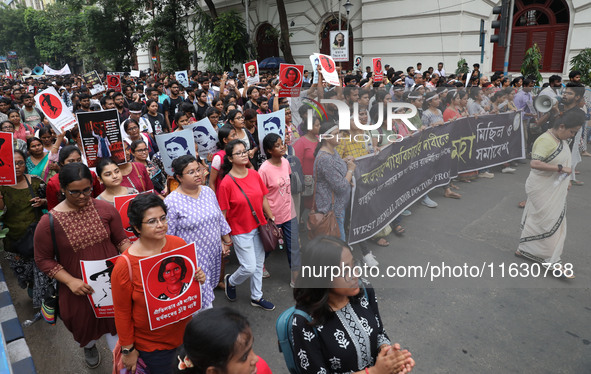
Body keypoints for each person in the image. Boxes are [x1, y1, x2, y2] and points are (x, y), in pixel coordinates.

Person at [34, 163, 130, 368]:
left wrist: (132, 263)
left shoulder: (105, 209)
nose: (82, 196)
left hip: (112, 283)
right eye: (74, 192)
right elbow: (43, 259)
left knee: (118, 329)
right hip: (78, 290)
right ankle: (89, 345)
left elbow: (121, 241)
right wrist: (70, 281)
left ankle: (120, 364)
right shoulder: (49, 222)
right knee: (85, 328)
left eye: (86, 190)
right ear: (62, 189)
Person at [111, 193, 206, 374]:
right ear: (137, 228)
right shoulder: (125, 265)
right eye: (152, 221)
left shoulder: (178, 244)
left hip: (186, 337)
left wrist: (198, 277)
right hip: (153, 348)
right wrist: (128, 350)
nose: (161, 225)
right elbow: (122, 312)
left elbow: (186, 285)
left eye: (163, 218)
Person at [292, 236, 415, 374]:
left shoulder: (364, 291)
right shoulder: (304, 321)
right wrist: (374, 372)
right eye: (345, 271)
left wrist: (388, 354)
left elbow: (379, 332)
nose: (355, 274)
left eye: (353, 264)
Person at [516, 109, 586, 278]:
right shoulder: (545, 140)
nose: (572, 135)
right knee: (550, 221)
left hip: (553, 186)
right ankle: (551, 259)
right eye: (572, 131)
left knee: (541, 219)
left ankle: (525, 250)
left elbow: (564, 160)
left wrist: (567, 179)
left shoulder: (559, 139)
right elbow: (535, 163)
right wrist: (560, 169)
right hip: (540, 186)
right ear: (561, 126)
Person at [165, 155, 232, 309]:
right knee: (201, 299)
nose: (198, 174)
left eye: (199, 170)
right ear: (179, 177)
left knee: (208, 292)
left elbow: (219, 218)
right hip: (192, 261)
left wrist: (226, 241)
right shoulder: (171, 202)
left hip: (213, 254)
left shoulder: (208, 191)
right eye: (191, 172)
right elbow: (168, 237)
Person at [217, 140, 276, 311]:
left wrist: (271, 217)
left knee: (258, 264)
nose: (244, 155)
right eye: (239, 153)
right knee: (249, 267)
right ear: (229, 158)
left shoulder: (254, 174)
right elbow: (223, 213)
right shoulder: (226, 183)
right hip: (240, 230)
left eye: (245, 151)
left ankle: (256, 297)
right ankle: (231, 281)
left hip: (260, 226)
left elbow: (263, 197)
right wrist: (226, 237)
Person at [0, 150, 50, 310]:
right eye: (12, 163)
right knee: (24, 273)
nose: (16, 166)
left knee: (40, 273)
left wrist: (43, 201)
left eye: (20, 162)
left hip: (36, 237)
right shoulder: (2, 187)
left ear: (25, 163)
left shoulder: (35, 181)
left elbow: (54, 200)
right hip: (13, 241)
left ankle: (43, 301)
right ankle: (31, 285)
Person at [175, 307, 272, 374]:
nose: (256, 359)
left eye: (251, 348)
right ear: (214, 372)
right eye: (244, 357)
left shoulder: (261, 369)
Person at [313, 122, 355, 242]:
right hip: (332, 209)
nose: (340, 136)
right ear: (326, 137)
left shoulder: (332, 151)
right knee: (338, 244)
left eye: (339, 133)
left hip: (339, 205)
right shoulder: (325, 158)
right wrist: (350, 171)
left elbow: (334, 171)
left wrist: (344, 161)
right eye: (336, 134)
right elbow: (341, 186)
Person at [45, 145, 104, 210]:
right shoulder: (53, 183)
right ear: (62, 163)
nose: (76, 164)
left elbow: (99, 199)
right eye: (71, 161)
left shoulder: (91, 175)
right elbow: (52, 209)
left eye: (78, 160)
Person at [209, 126, 238, 193]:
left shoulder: (240, 152)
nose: (236, 137)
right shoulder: (218, 158)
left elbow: (250, 166)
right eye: (233, 136)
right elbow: (212, 182)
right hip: (224, 194)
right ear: (225, 140)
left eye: (236, 134)